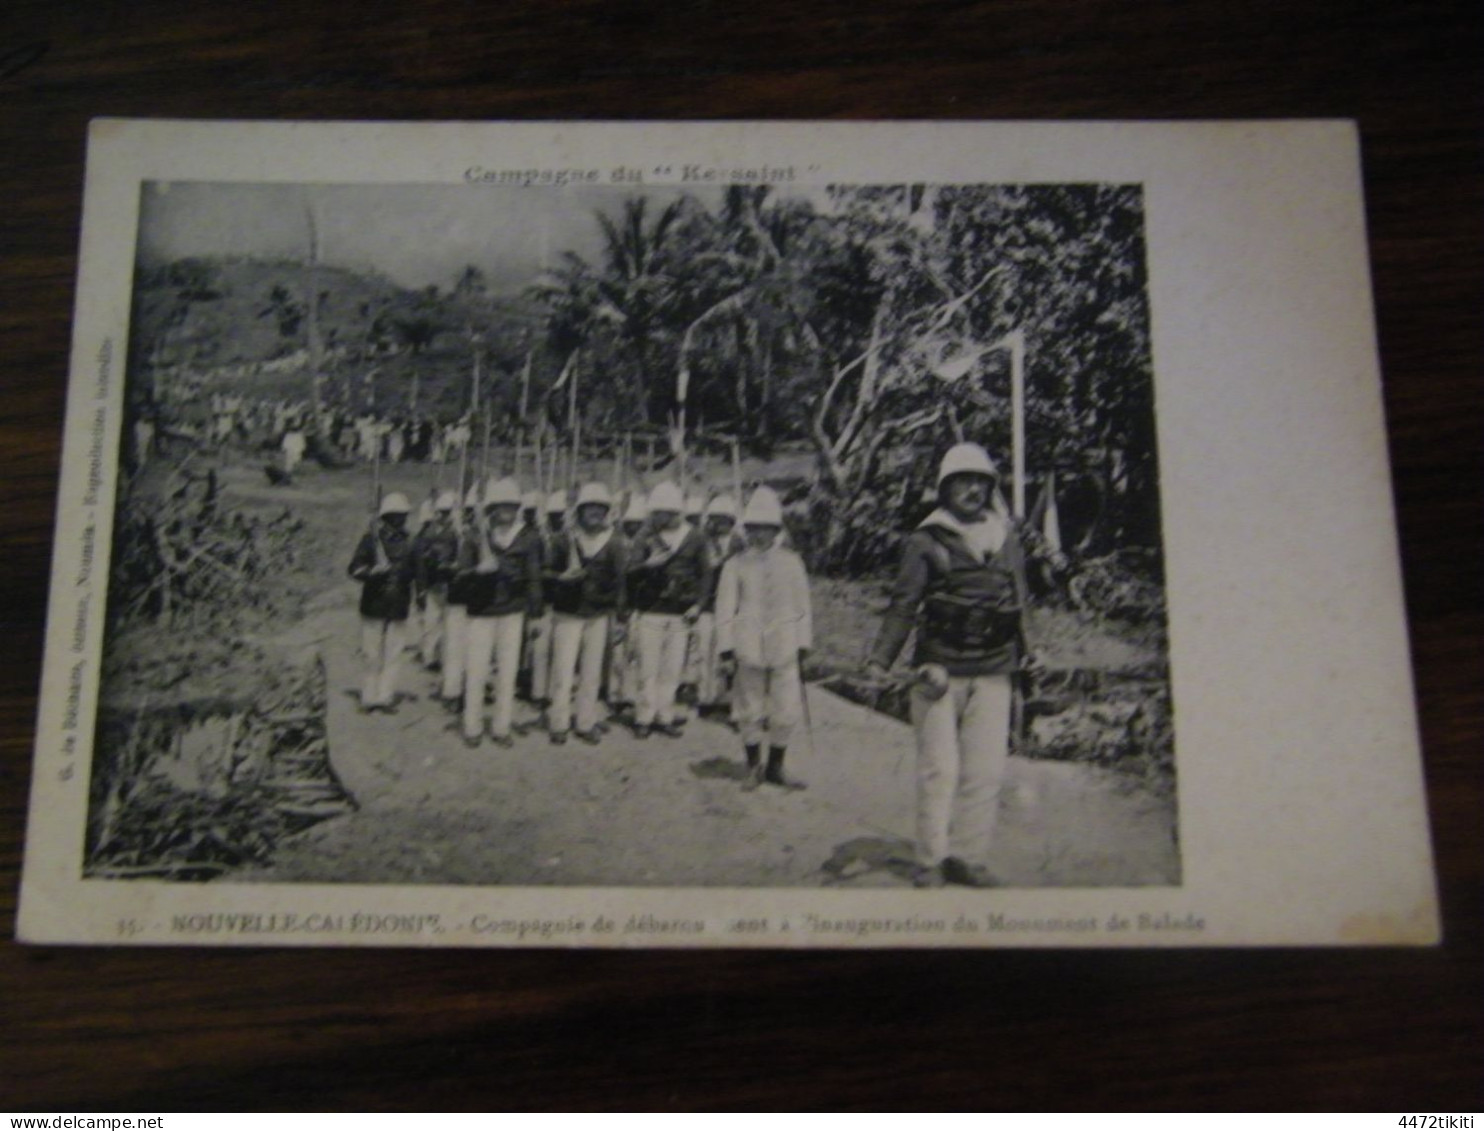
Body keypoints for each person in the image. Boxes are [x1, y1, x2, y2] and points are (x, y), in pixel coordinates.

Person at [866, 443, 1031, 889]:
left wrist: (1029, 652)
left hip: (995, 666)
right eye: (963, 481)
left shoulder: (1005, 536)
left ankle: (968, 856)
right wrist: (881, 658)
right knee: (940, 769)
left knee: (986, 769)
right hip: (938, 671)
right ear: (944, 488)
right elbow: (904, 604)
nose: (973, 490)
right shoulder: (926, 539)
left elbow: (1019, 600)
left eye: (981, 482)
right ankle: (931, 858)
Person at [716, 487, 812, 791]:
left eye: (765, 529)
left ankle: (776, 766)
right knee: (749, 707)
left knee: (785, 710)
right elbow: (724, 608)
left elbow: (803, 606)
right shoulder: (735, 564)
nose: (758, 536)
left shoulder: (792, 562)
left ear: (776, 530)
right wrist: (726, 647)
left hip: (784, 644)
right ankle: (753, 765)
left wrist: (804, 643)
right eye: (753, 529)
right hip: (748, 646)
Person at [456, 477, 543, 748]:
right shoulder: (474, 536)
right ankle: (472, 727)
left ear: (518, 507)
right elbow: (459, 578)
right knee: (477, 671)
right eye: (500, 505)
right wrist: (476, 572)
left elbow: (534, 578)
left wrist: (535, 614)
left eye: (511, 505)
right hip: (481, 612)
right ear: (491, 507)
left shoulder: (528, 537)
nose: (506, 510)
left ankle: (501, 727)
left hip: (513, 613)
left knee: (508, 673)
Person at [627, 480, 712, 739]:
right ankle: (643, 716)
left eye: (666, 513)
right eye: (657, 513)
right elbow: (629, 571)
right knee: (647, 668)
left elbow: (705, 574)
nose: (661, 518)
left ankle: (664, 715)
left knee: (672, 669)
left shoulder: (695, 536)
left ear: (678, 512)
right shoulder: (645, 535)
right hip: (651, 610)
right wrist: (647, 565)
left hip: (681, 613)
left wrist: (698, 604)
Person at [545, 482, 628, 745]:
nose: (594, 512)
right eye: (589, 507)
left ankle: (585, 721)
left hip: (599, 615)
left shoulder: (614, 542)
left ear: (606, 511)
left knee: (592, 673)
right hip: (567, 614)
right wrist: (561, 577)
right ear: (579, 511)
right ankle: (558, 722)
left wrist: (620, 619)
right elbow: (544, 573)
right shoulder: (563, 539)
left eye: (599, 507)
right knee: (563, 670)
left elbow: (620, 582)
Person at [348, 491, 418, 713]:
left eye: (403, 516)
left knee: (394, 652)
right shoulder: (370, 540)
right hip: (374, 602)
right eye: (396, 516)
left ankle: (385, 696)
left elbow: (418, 572)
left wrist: (421, 594)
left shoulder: (410, 542)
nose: (400, 520)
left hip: (399, 602)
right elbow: (354, 569)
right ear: (386, 517)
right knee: (371, 653)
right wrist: (372, 572)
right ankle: (369, 696)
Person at [438, 485, 481, 709]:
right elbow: (441, 564)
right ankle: (452, 691)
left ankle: (471, 688)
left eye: (477, 510)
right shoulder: (452, 533)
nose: (474, 514)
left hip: (478, 600)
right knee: (455, 645)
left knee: (475, 648)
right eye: (470, 510)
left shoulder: (482, 534)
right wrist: (455, 567)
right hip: (457, 597)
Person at [413, 490, 459, 671]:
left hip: (448, 582)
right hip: (433, 583)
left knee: (447, 624)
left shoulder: (455, 533)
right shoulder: (428, 533)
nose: (444, 516)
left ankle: (443, 656)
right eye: (441, 512)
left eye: (447, 512)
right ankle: (429, 656)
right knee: (431, 621)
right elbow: (421, 562)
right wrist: (421, 587)